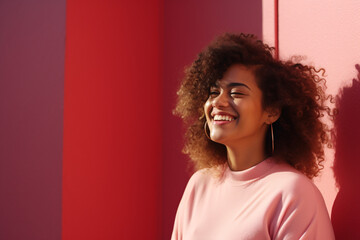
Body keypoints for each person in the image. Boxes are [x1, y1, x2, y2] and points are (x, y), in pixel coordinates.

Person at [171, 33, 335, 239]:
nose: (218, 102)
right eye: (213, 92)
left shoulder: (292, 192)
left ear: (272, 111)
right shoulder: (198, 185)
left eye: (236, 93)